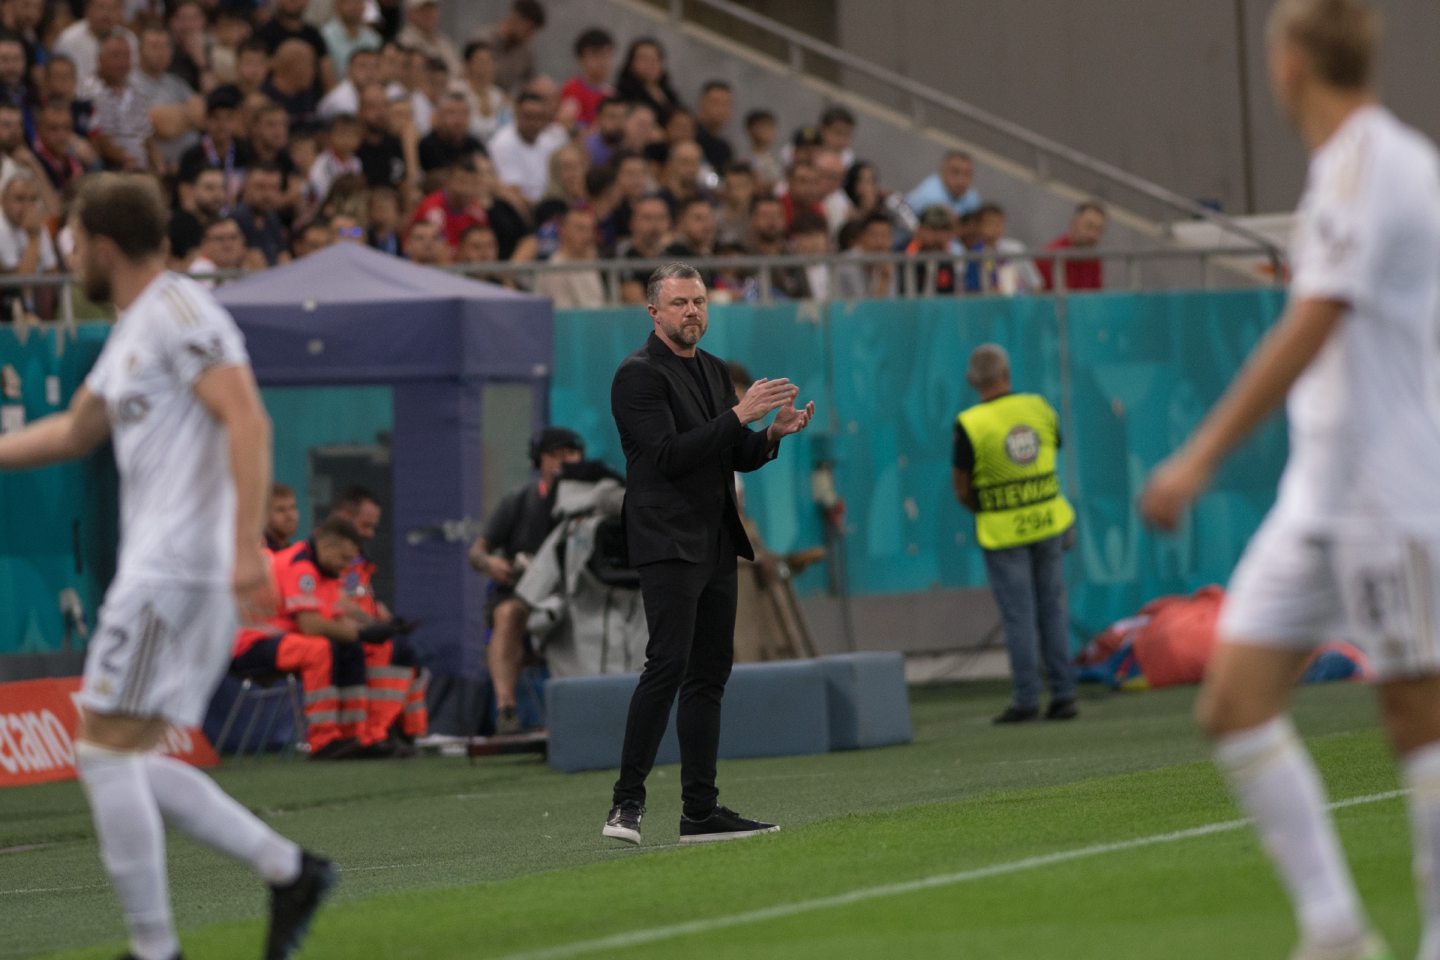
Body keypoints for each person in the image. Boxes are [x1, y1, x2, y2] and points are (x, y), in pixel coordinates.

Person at [1140, 3, 1440, 958]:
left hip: (1391, 491)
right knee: (1232, 701)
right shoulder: (1340, 170)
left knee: (1417, 719)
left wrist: (1200, 455)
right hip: (1319, 494)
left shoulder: (1374, 161)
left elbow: (1315, 321)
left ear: (1291, 62)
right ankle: (1336, 931)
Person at [0, 173, 334, 960]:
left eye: (76, 241)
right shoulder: (136, 326)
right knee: (126, 753)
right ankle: (288, 871)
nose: (70, 255)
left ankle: (157, 949)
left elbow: (248, 418)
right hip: (170, 572)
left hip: (175, 571)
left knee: (104, 754)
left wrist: (246, 548)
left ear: (104, 246)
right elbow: (74, 433)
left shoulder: (181, 313)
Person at [603, 262, 815, 846]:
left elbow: (730, 454)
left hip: (715, 538)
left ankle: (700, 811)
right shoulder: (637, 376)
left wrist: (770, 435)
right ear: (654, 313)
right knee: (666, 665)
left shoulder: (716, 370)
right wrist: (740, 415)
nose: (692, 312)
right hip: (666, 539)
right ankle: (626, 804)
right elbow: (669, 455)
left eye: (699, 302)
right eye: (679, 304)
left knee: (709, 676)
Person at [952, 344, 1077, 724]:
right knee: (1052, 608)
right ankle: (1064, 695)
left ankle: (1026, 699)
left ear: (973, 381)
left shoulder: (971, 423)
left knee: (1018, 617)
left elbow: (961, 487)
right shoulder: (1039, 407)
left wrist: (988, 507)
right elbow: (1054, 449)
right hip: (1049, 522)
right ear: (1006, 372)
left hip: (1003, 530)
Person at [468, 427, 585, 734]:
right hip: (523, 596)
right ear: (539, 461)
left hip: (577, 595)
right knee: (507, 614)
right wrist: (489, 563)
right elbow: (477, 552)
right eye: (555, 456)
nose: (564, 462)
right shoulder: (518, 502)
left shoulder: (591, 501)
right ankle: (506, 710)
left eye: (570, 454)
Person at [470, 0, 546, 95]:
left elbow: (530, 82)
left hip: (504, 104)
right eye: (528, 29)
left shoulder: (525, 51)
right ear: (514, 18)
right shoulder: (483, 41)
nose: (530, 36)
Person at [1036, 201, 1107, 292]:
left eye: (1099, 230)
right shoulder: (1049, 256)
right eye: (1089, 226)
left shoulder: (1094, 260)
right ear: (1074, 222)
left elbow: (1096, 297)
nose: (1093, 234)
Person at [615, 37, 681, 127]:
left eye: (655, 59)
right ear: (631, 63)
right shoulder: (622, 93)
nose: (650, 64)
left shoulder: (669, 94)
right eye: (644, 59)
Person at [560, 27, 614, 129]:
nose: (603, 62)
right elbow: (566, 122)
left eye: (607, 55)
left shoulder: (610, 95)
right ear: (581, 58)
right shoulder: (571, 89)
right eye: (596, 55)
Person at [906, 149, 981, 219]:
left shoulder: (971, 196)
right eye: (955, 172)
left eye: (967, 174)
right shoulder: (928, 197)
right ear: (942, 171)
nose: (961, 180)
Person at [265, 482, 300, 551]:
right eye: (280, 510)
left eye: (293, 507)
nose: (290, 515)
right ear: (264, 516)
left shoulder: (295, 553)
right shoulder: (259, 554)